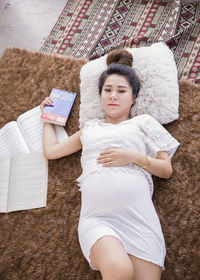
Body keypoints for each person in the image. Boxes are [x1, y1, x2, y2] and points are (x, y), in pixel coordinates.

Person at [40, 49, 180, 280]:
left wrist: (134, 157)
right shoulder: (91, 128)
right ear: (101, 94)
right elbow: (52, 152)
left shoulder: (145, 123)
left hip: (139, 220)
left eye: (121, 91)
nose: (113, 96)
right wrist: (47, 118)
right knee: (120, 269)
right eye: (107, 90)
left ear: (134, 97)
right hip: (99, 219)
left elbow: (166, 170)